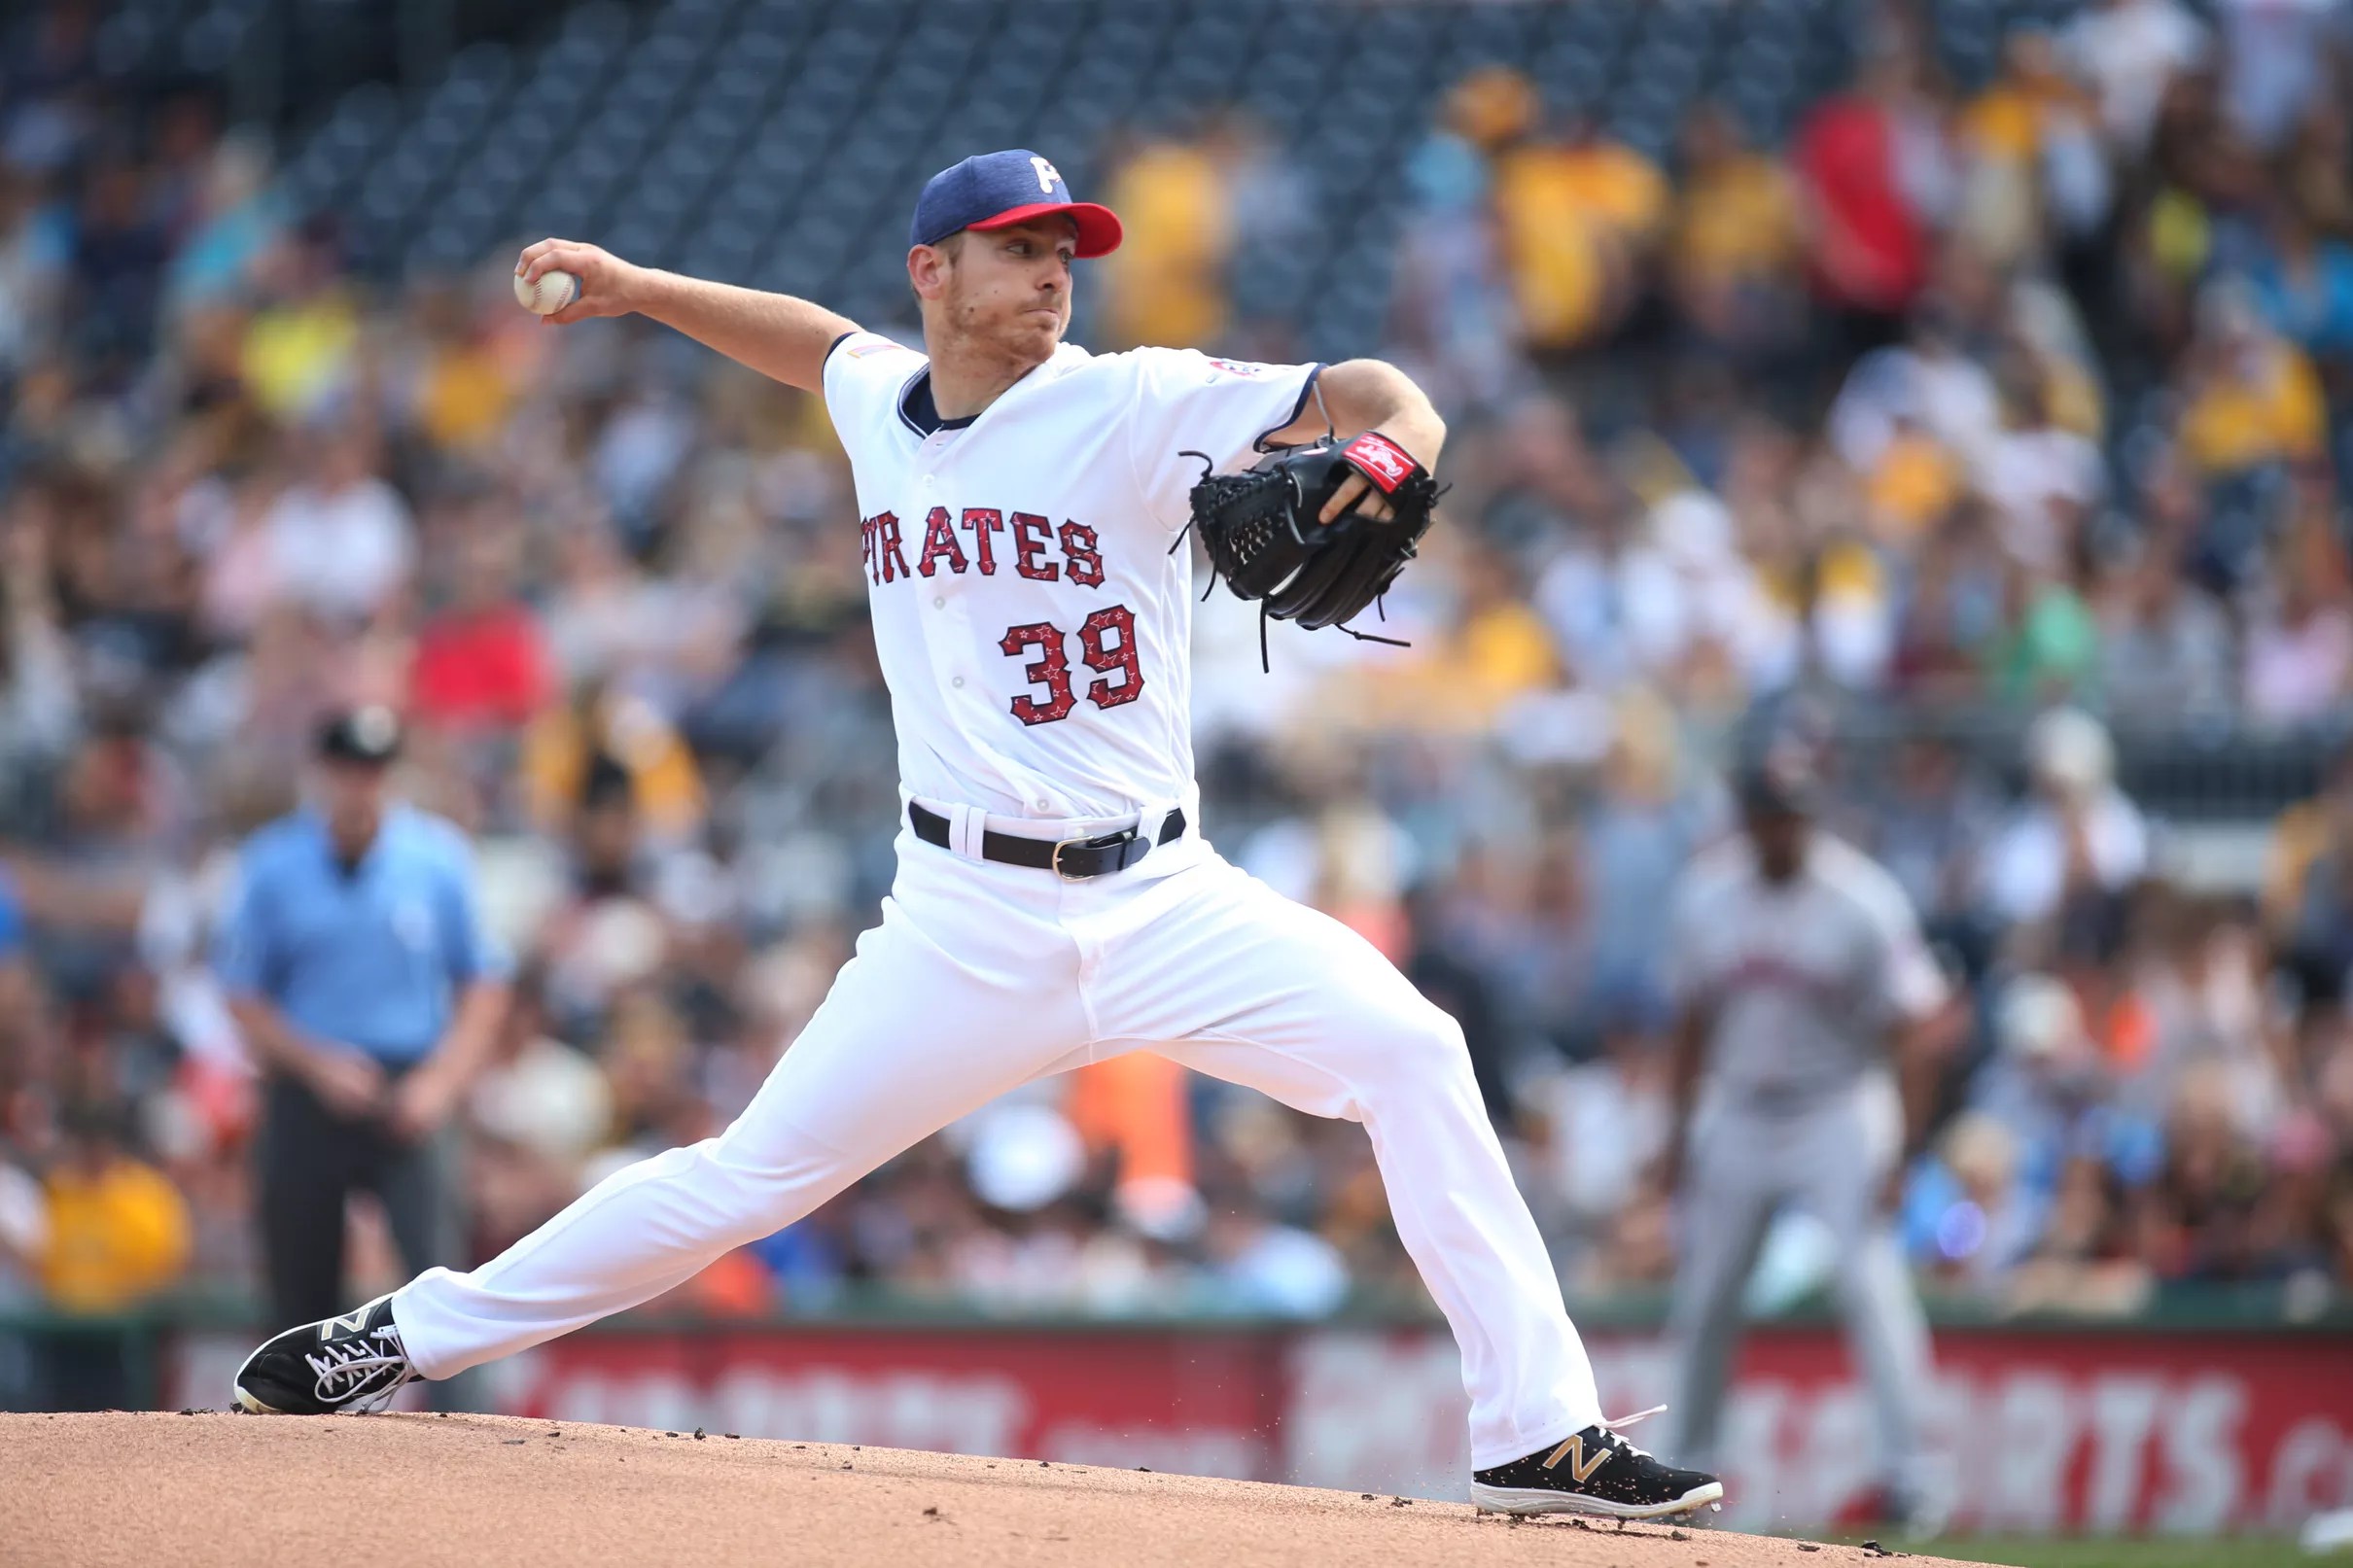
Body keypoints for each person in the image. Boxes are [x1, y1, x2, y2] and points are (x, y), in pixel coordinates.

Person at [230, 149, 1721, 1521]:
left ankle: (1536, 1433)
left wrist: (1399, 447)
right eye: (1017, 247)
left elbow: (1384, 387)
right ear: (931, 269)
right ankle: (399, 1332)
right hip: (957, 919)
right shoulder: (882, 402)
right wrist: (631, 287)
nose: (1055, 268)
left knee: (1416, 1053)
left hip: (1165, 898)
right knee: (745, 1175)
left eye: (1066, 245)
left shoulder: (1133, 398)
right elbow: (811, 343)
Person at [1656, 749, 1951, 1533]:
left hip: (1838, 1105)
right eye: (1769, 811)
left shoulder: (1863, 898)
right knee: (1708, 1293)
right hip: (1742, 1107)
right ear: (1746, 815)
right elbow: (1690, 1026)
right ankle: (1685, 1471)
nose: (1781, 827)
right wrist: (1675, 1137)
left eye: (1793, 812)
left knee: (1868, 1284)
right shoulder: (1707, 894)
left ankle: (1912, 1477)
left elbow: (1918, 1029)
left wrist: (1906, 1151)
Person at [212, 707, 509, 1404]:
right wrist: (318, 1064)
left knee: (442, 1280)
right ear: (323, 774)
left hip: (412, 1082)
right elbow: (241, 992)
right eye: (347, 769)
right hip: (306, 1086)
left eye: (372, 769)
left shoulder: (436, 857)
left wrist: (439, 1083)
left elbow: (485, 985)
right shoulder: (274, 863)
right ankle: (293, 1450)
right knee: (298, 1284)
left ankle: (477, 1453)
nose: (360, 785)